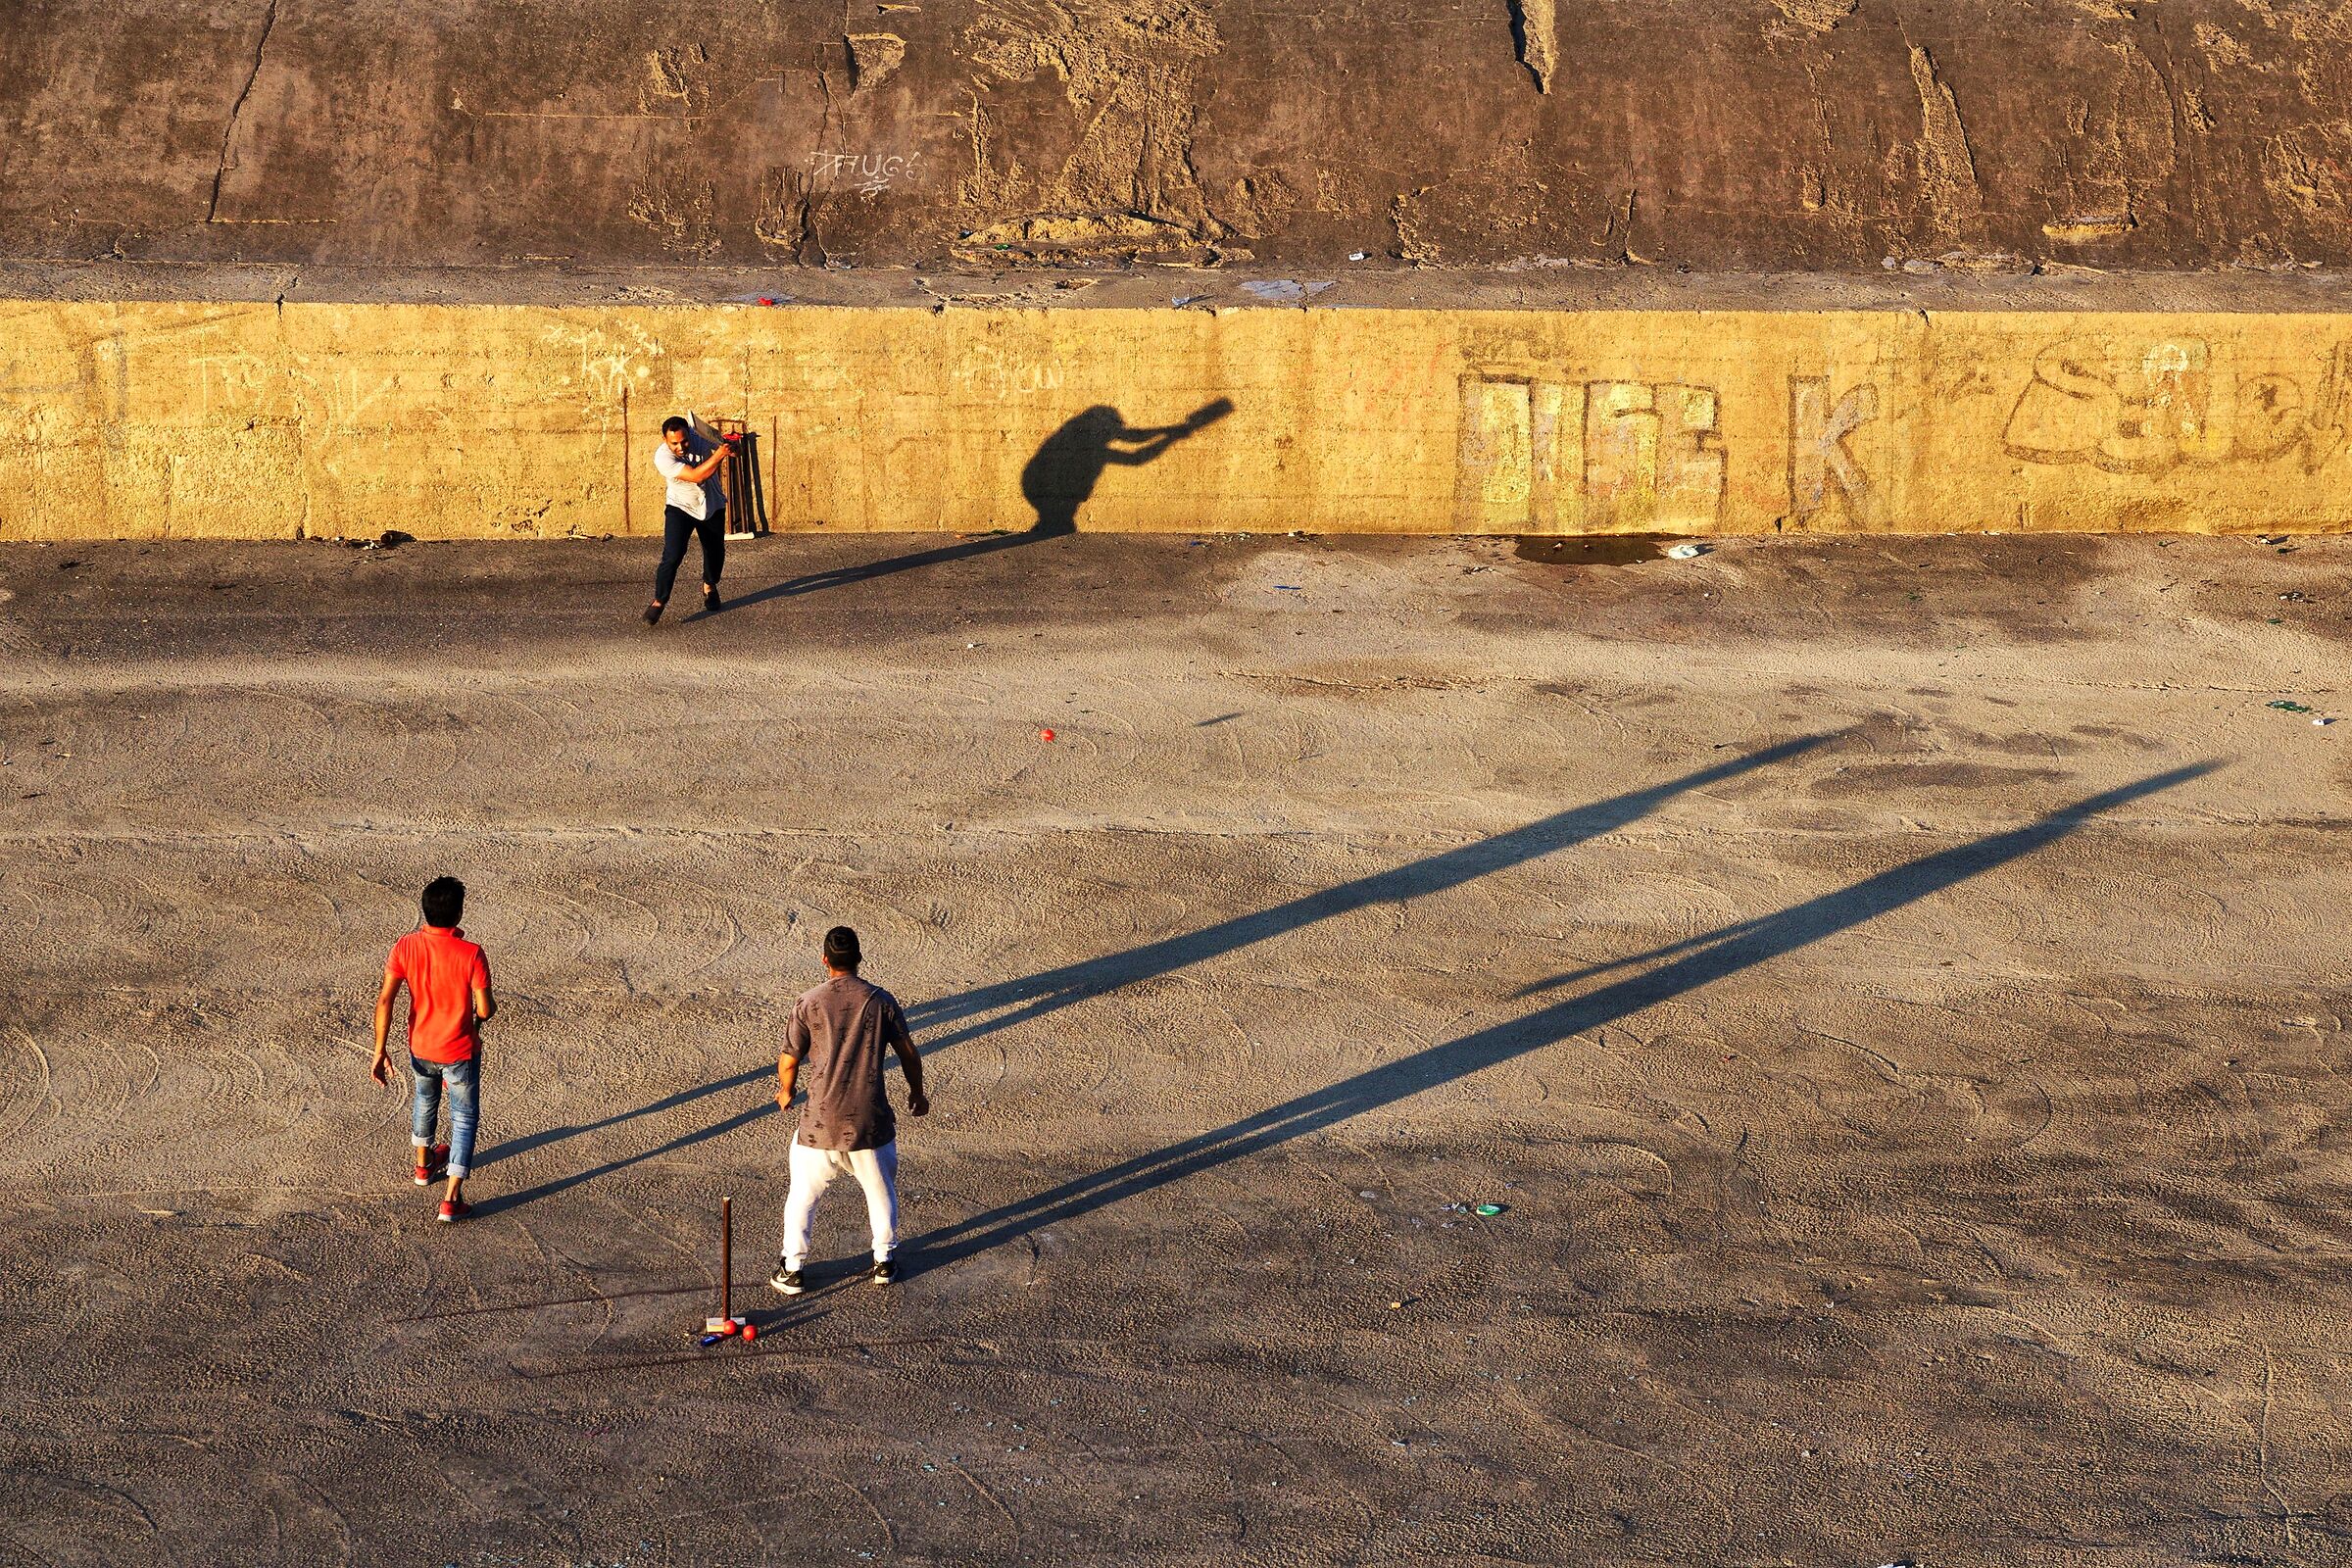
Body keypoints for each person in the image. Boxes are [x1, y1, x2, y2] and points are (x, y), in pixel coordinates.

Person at [771, 926, 929, 1292]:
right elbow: (908, 1052)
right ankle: (884, 1262)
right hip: (869, 1122)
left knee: (803, 1195)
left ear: (825, 960)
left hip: (819, 1123)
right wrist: (917, 1093)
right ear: (859, 958)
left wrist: (786, 1091)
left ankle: (792, 1268)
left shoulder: (808, 1002)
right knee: (880, 1191)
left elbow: (789, 1059)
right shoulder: (881, 1001)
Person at [372, 876, 496, 1222]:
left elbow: (385, 1001)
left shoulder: (405, 946)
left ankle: (424, 1165)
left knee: (425, 1099)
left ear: (424, 911)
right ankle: (451, 1199)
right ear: (459, 913)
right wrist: (477, 1018)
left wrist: (380, 1050)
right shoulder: (471, 953)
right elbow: (486, 1009)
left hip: (420, 1046)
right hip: (459, 1050)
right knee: (464, 1118)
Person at [646, 415, 730, 624]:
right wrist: (719, 456)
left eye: (684, 441)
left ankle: (709, 585)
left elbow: (727, 448)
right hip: (680, 506)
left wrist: (731, 448)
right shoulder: (662, 457)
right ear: (665, 439)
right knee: (672, 555)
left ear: (690, 434)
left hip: (711, 503)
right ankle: (659, 601)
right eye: (674, 443)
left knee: (715, 551)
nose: (681, 447)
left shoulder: (699, 436)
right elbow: (696, 476)